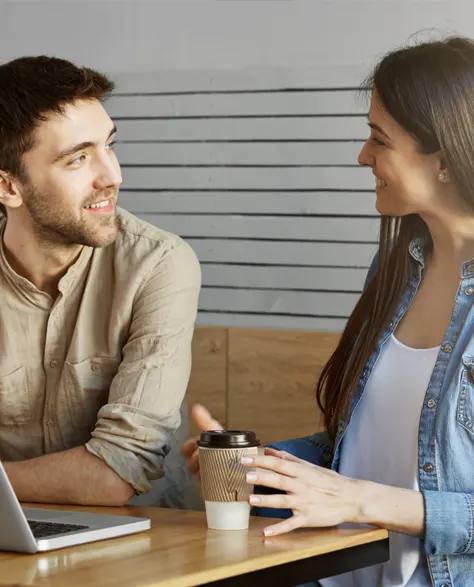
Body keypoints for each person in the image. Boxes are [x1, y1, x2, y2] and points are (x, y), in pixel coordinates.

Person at [183, 36, 474, 586]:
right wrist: (263, 468)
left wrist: (359, 500)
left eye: (378, 138)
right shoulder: (393, 270)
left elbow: (371, 489)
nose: (363, 156)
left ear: (442, 159)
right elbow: (368, 448)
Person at [0, 55, 201, 508]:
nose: (112, 176)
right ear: (8, 187)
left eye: (109, 146)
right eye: (78, 159)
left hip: (147, 548)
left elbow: (116, 471)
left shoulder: (159, 264)